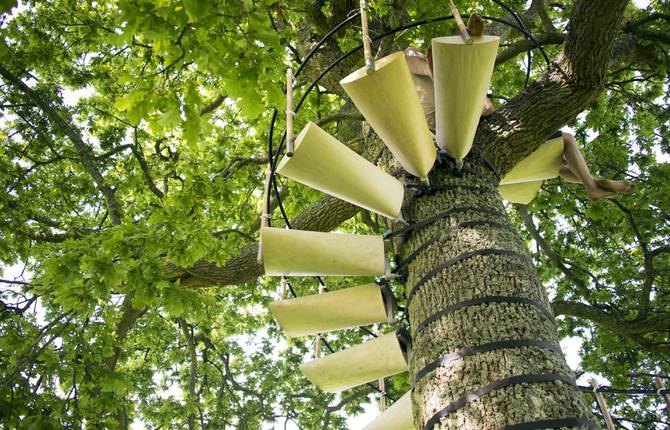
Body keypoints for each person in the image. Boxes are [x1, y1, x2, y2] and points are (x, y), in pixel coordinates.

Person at [404, 16, 634, 201]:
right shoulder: (410, 60)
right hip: (443, 124)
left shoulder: (458, 80)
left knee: (559, 153)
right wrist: (439, 67)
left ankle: (591, 183)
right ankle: (591, 183)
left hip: (470, 124)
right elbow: (421, 62)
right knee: (561, 149)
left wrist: (481, 102)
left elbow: (485, 106)